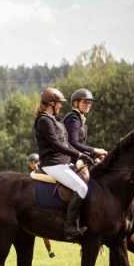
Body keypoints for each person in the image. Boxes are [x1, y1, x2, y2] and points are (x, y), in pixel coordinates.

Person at [34, 87, 92, 240]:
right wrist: (78, 154)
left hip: (63, 163)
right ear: (51, 104)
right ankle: (70, 227)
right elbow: (56, 145)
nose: (61, 106)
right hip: (52, 164)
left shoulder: (54, 120)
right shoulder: (44, 120)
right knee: (81, 187)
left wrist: (85, 155)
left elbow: (66, 143)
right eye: (59, 103)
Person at [63, 88, 108, 162]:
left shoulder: (79, 118)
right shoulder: (73, 118)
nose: (88, 105)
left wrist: (93, 155)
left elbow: (80, 146)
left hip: (75, 157)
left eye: (90, 102)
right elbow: (73, 142)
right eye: (85, 102)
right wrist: (94, 150)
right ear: (75, 103)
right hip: (69, 160)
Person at [27, 152, 55, 258]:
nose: (35, 164)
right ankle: (49, 251)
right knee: (44, 234)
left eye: (36, 162)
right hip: (41, 202)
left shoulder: (43, 170)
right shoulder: (33, 174)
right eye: (34, 163)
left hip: (47, 200)